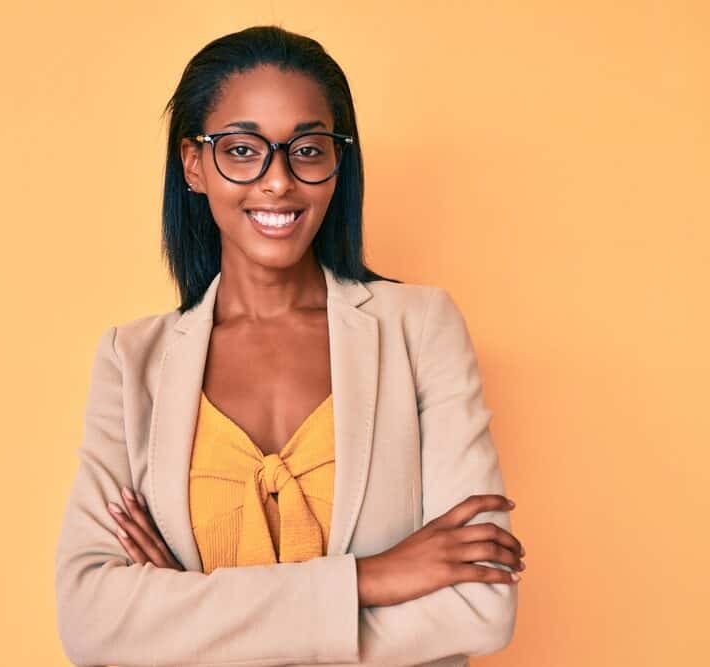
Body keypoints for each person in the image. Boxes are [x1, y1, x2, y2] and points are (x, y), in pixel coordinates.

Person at [54, 24, 524, 667]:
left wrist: (188, 615)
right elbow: (91, 621)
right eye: (243, 150)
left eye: (307, 149)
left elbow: (481, 608)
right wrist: (373, 578)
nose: (278, 181)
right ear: (193, 164)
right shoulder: (132, 361)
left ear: (338, 163)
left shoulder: (420, 329)